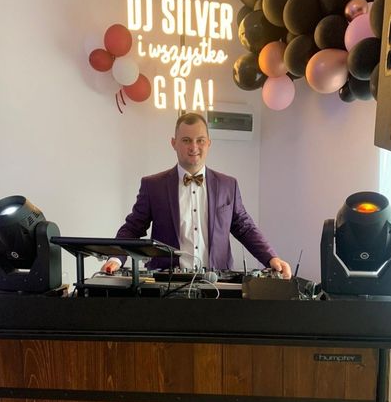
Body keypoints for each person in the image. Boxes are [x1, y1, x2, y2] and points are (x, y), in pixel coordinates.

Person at [102, 112, 292, 278]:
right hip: (166, 284)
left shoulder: (228, 185)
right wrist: (116, 259)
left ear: (208, 143)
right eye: (186, 140)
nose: (194, 147)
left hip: (217, 284)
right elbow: (132, 228)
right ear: (174, 143)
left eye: (200, 140)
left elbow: (245, 228)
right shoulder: (153, 186)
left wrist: (271, 258)